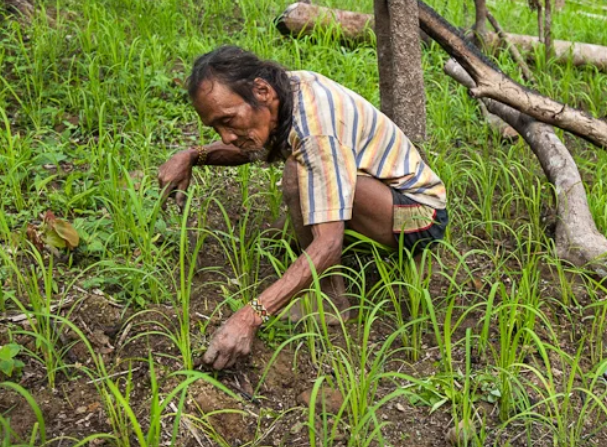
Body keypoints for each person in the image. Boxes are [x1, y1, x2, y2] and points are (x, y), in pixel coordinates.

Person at [157, 46, 448, 370]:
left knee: (298, 175)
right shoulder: (285, 93)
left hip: (421, 216)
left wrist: (249, 316)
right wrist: (191, 156)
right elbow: (248, 147)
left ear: (261, 91)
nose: (226, 137)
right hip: (387, 198)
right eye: (216, 128)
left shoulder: (313, 128)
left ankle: (330, 300)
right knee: (303, 173)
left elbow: (328, 243)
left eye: (228, 120)